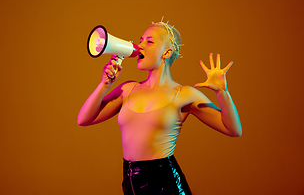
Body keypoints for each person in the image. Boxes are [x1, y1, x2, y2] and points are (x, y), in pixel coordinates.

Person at [77, 20, 242, 195]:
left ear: (166, 52)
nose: (139, 45)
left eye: (149, 41)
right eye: (140, 40)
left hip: (165, 184)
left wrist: (222, 92)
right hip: (130, 182)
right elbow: (84, 119)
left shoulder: (184, 94)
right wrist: (105, 84)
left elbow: (233, 129)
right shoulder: (127, 89)